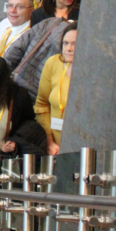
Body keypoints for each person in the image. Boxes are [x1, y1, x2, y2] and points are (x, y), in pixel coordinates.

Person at [34, 24, 76, 156]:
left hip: (81, 145)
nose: (69, 49)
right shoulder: (53, 63)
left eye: (75, 44)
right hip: (54, 146)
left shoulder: (93, 70)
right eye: (65, 43)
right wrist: (50, 142)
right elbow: (41, 105)